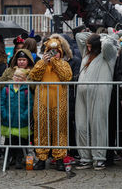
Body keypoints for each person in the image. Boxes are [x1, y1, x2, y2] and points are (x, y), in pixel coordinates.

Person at [75, 29, 121, 170]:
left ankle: (99, 157)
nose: (87, 47)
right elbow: (78, 36)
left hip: (99, 93)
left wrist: (106, 36)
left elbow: (107, 45)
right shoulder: (86, 53)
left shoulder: (108, 54)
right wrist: (94, 37)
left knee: (98, 125)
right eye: (87, 45)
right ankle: (85, 157)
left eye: (91, 46)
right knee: (81, 126)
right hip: (82, 94)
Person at [28, 34, 72, 171]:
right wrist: (43, 62)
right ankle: (41, 158)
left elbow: (66, 77)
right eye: (51, 52)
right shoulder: (41, 64)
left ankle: (59, 158)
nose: (54, 54)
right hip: (42, 102)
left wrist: (55, 62)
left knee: (60, 130)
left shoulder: (64, 64)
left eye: (57, 52)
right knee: (41, 129)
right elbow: (34, 75)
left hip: (59, 103)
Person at [0, 68, 33, 169]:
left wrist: (24, 116)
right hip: (8, 120)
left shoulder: (26, 90)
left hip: (21, 121)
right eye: (16, 76)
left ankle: (19, 159)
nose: (17, 79)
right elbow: (2, 103)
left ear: (24, 79)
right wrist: (4, 114)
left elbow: (29, 105)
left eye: (20, 77)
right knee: (8, 141)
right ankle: (8, 159)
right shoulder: (6, 89)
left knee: (20, 141)